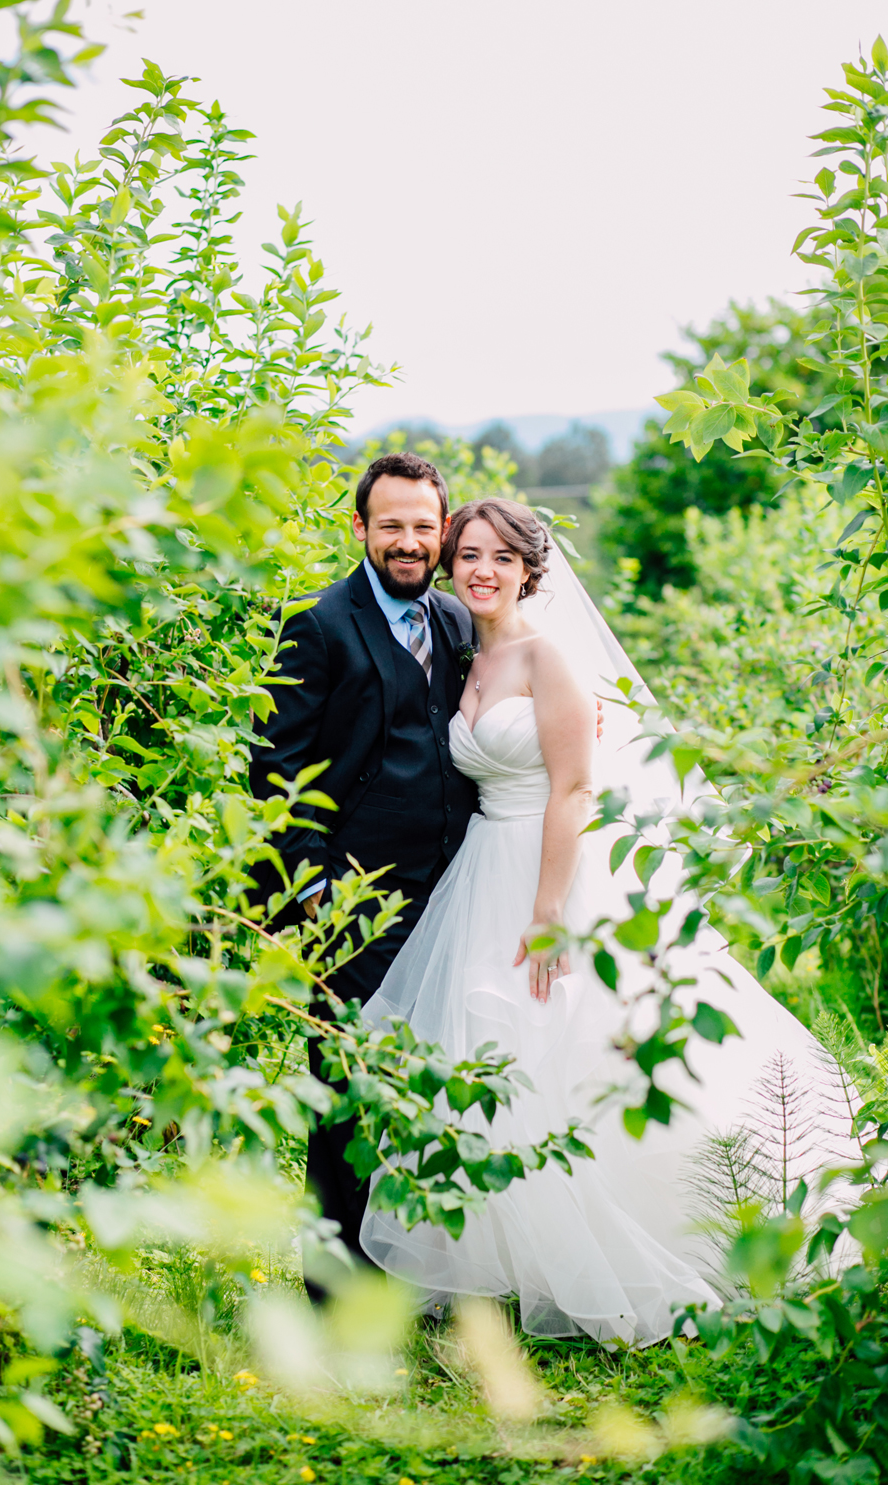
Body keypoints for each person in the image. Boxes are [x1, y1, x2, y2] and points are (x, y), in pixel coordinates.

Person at [359, 497, 856, 1345]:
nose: (482, 569)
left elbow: (576, 788)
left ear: (529, 570)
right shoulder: (465, 655)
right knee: (494, 1061)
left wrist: (549, 911)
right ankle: (512, 1260)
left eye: (501, 558)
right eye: (469, 553)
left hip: (551, 873)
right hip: (481, 866)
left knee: (582, 1049)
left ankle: (646, 1248)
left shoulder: (550, 658)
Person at [249, 452, 480, 1276]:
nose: (409, 542)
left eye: (424, 526)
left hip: (452, 895)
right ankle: (330, 1288)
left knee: (430, 1084)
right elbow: (275, 764)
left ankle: (416, 1274)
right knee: (344, 1091)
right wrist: (311, 890)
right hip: (347, 907)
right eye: (392, 526)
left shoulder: (457, 623)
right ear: (360, 528)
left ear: (443, 529)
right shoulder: (316, 623)